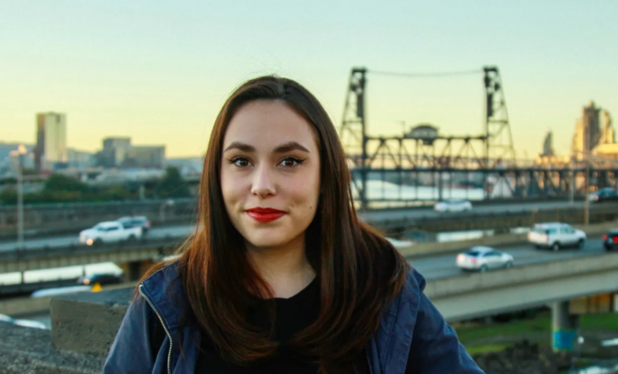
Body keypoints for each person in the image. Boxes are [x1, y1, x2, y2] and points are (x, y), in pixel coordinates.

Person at [102, 76, 483, 374]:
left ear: (326, 174)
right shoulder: (166, 301)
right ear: (215, 175)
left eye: (289, 161)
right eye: (240, 161)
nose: (262, 186)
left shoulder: (384, 291)